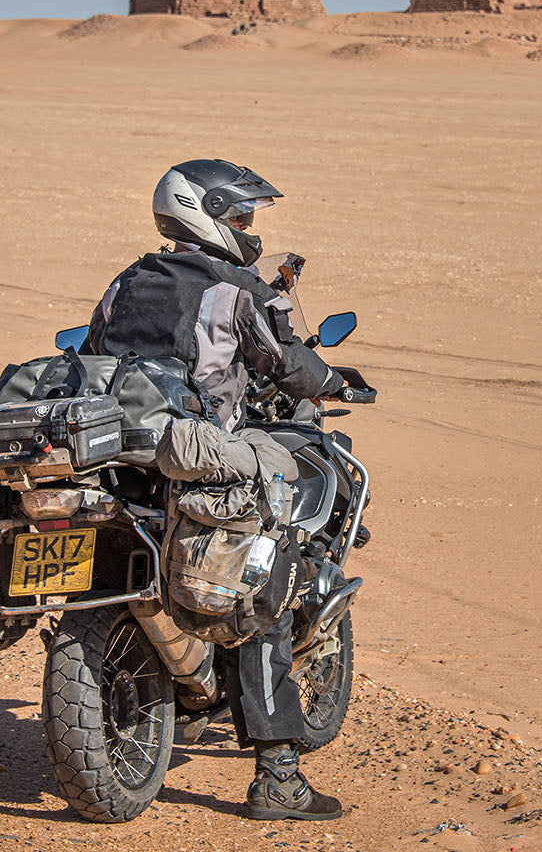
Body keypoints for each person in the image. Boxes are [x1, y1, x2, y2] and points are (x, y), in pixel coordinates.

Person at [82, 158, 345, 821]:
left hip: (119, 455)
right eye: (241, 216)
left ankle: (188, 703)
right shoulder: (234, 288)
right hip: (199, 458)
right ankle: (278, 776)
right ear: (208, 213)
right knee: (259, 584)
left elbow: (92, 348)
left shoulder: (128, 280)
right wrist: (334, 381)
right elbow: (284, 360)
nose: (248, 229)